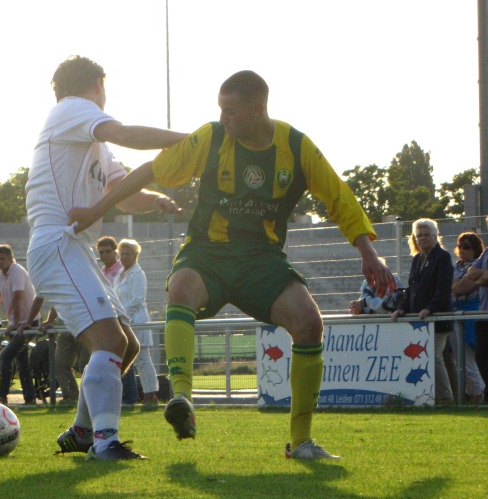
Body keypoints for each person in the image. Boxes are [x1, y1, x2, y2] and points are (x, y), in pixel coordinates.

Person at [71, 69, 395, 460]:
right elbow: (149, 171)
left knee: (310, 323)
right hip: (208, 251)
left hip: (262, 259)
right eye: (220, 110)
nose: (222, 118)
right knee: (181, 287)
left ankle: (303, 441)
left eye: (230, 111)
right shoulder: (211, 139)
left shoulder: (296, 146)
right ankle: (184, 401)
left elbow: (339, 197)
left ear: (258, 110)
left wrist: (368, 251)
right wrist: (96, 210)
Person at [25, 55, 185, 460]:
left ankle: (82, 432)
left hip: (70, 248)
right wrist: (189, 140)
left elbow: (125, 194)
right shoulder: (74, 110)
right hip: (58, 244)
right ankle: (105, 442)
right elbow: (126, 132)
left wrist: (155, 201)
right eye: (104, 86)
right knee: (111, 340)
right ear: (97, 83)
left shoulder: (90, 140)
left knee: (125, 346)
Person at [391, 218, 454, 404]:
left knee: (433, 357)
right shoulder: (417, 259)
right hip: (420, 320)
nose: (423, 238)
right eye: (419, 236)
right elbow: (412, 289)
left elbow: (443, 288)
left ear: (435, 237)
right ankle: (437, 395)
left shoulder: (442, 257)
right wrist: (402, 308)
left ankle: (446, 398)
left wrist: (430, 308)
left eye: (427, 235)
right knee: (440, 359)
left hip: (438, 318)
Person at [0, 244, 39, 405]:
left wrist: (14, 323)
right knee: (22, 361)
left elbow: (18, 297)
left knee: (5, 356)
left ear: (10, 258)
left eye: (2, 259)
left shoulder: (17, 272)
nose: (0, 262)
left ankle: (1, 395)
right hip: (18, 323)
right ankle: (30, 398)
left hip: (29, 322)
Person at [114, 239, 159, 406]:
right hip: (125, 322)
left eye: (128, 254)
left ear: (136, 256)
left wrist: (120, 314)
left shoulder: (138, 274)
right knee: (134, 360)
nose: (124, 257)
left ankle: (151, 395)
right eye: (122, 254)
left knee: (143, 359)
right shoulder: (120, 275)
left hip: (137, 320)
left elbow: (137, 300)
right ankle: (142, 395)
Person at [467, 218, 488, 392]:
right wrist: (483, 277)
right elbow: (471, 272)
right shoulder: (486, 252)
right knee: (482, 357)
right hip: (483, 313)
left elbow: (478, 278)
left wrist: (480, 279)